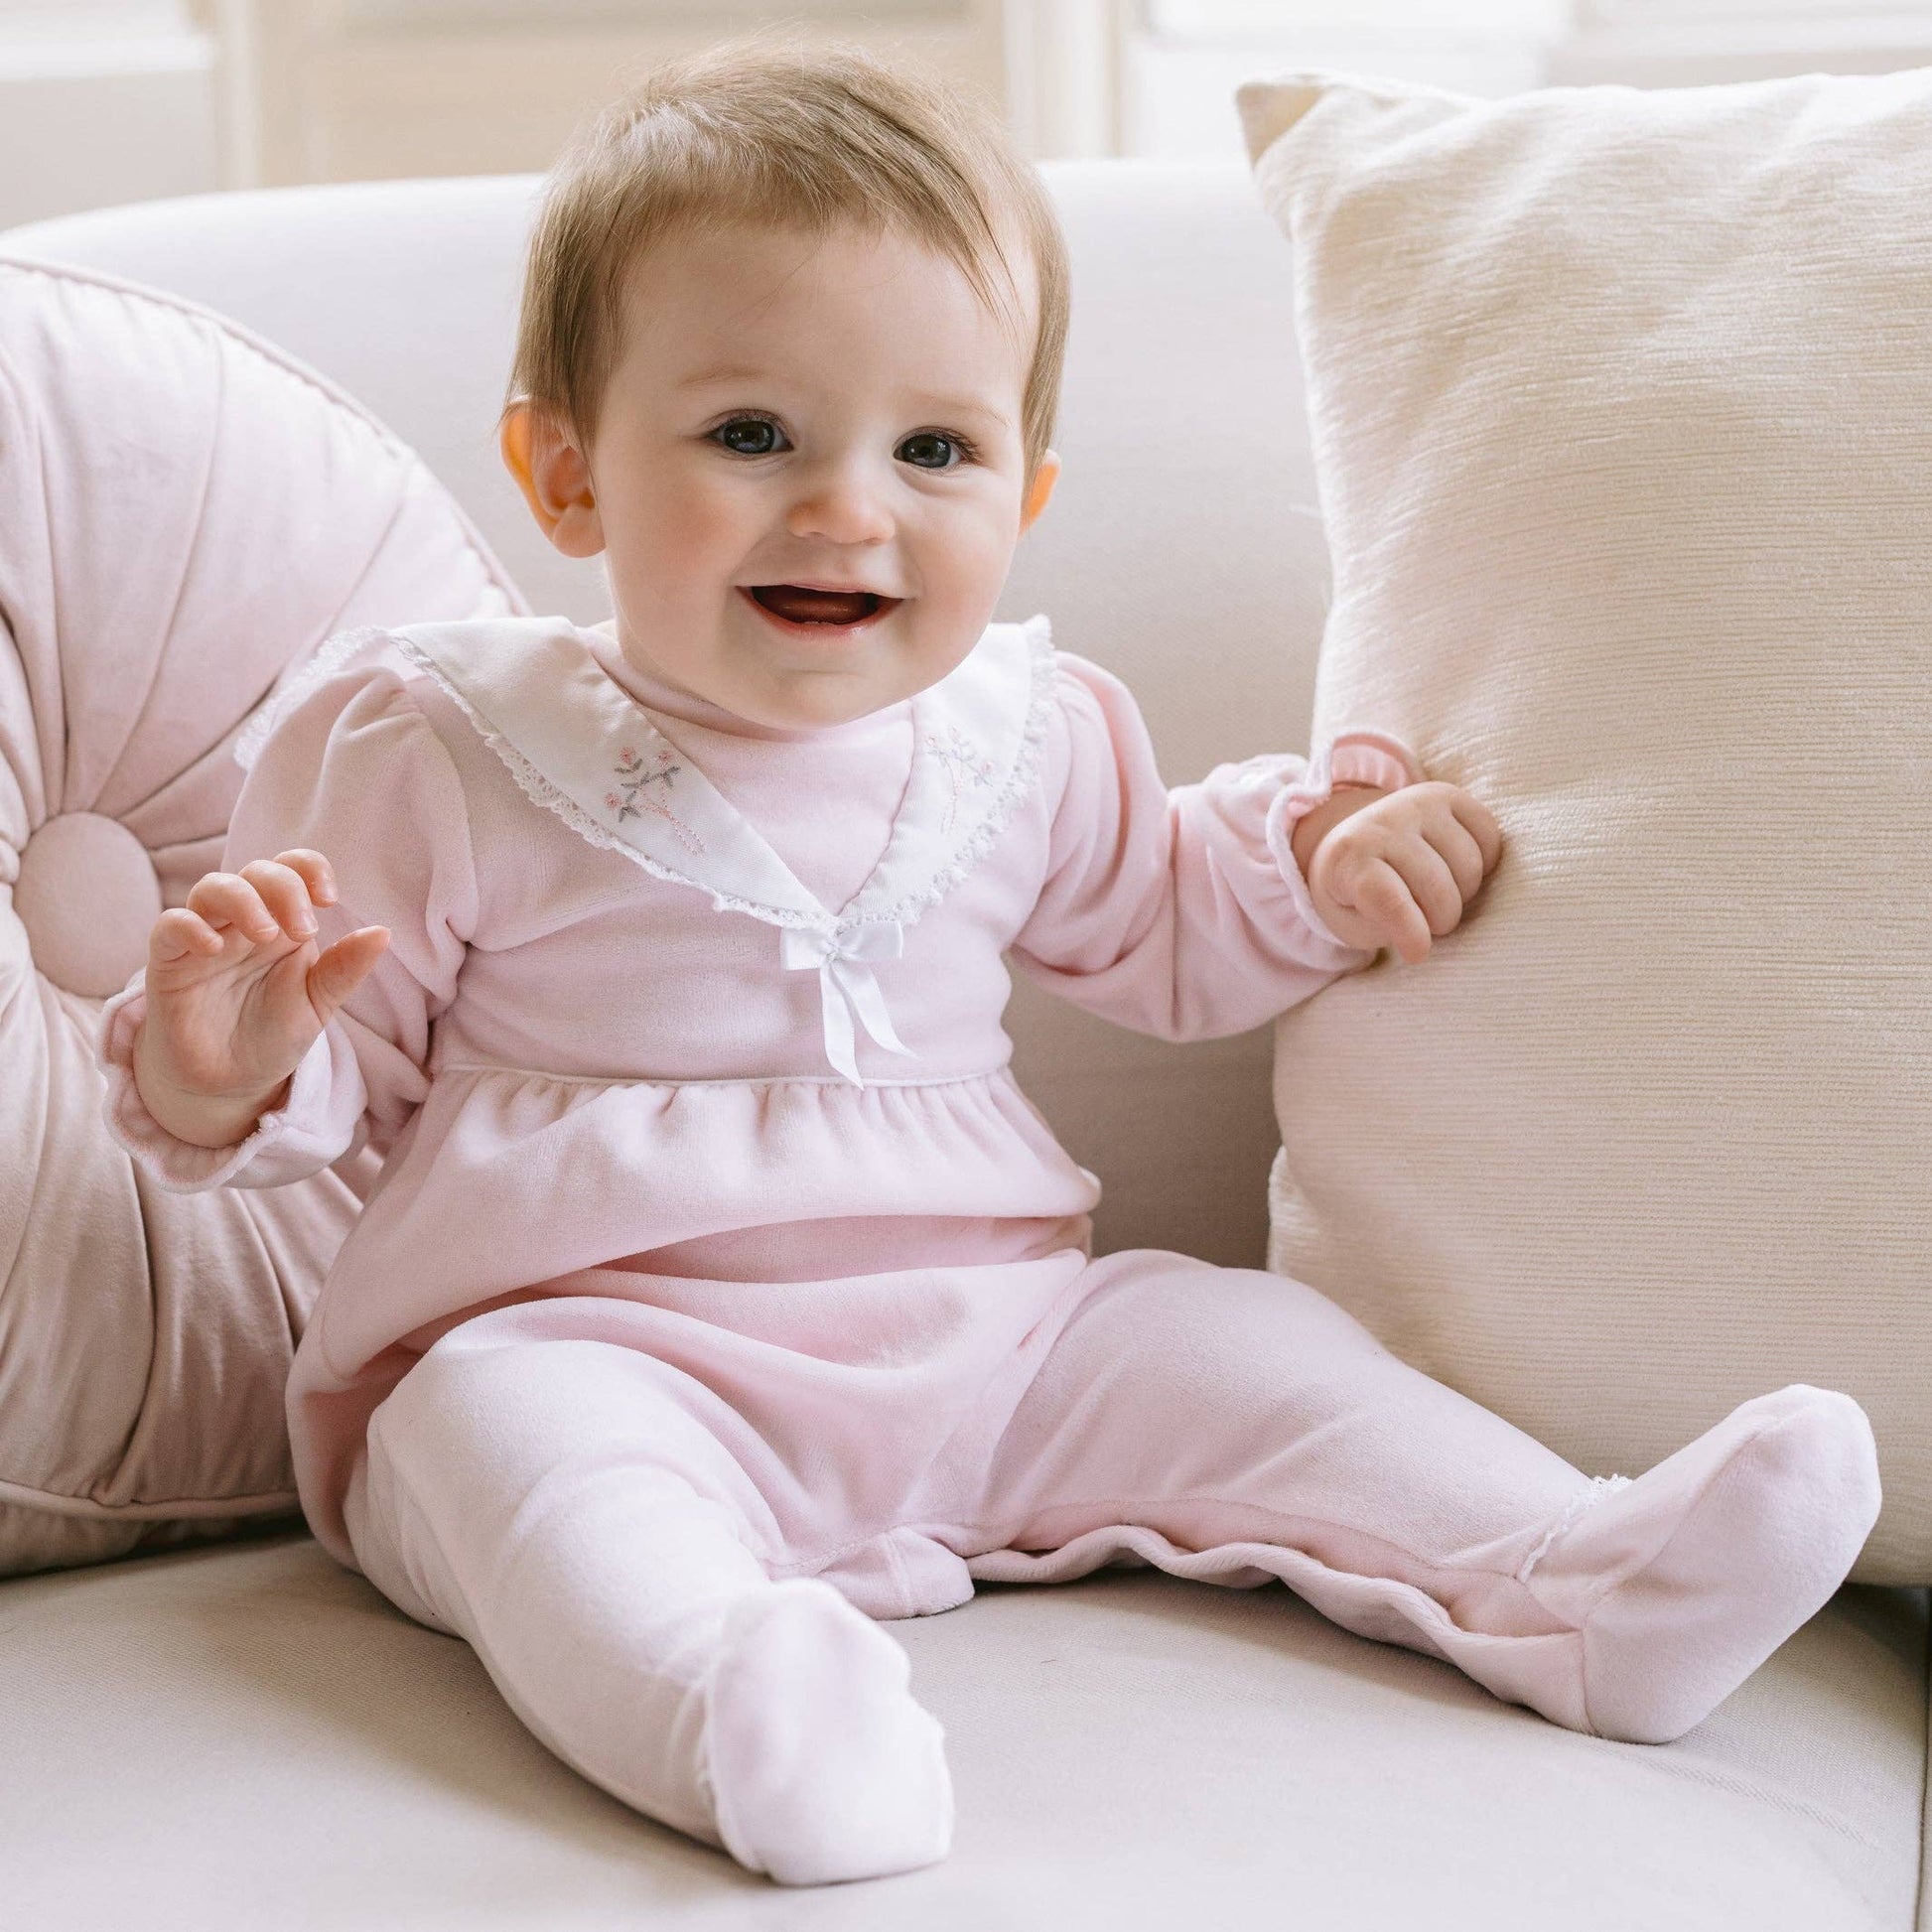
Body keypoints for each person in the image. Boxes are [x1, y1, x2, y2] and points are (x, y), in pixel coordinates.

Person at [97, 40, 1879, 1888]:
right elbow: (352, 1055)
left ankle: (1578, 1575)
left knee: (1237, 1344)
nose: (846, 507)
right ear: (565, 472)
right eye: (750, 435)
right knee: (513, 1454)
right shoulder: (450, 739)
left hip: (995, 1337)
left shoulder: (1020, 731)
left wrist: (1320, 866)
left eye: (932, 450)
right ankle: (736, 1705)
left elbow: (1162, 919)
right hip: (590, 1343)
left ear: (1023, 496)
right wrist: (226, 1059)